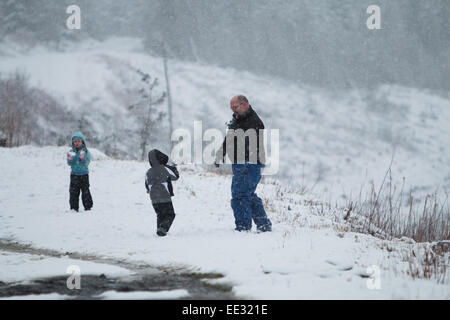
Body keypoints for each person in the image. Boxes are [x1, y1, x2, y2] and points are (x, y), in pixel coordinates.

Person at [215, 95, 272, 232]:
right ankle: (263, 224)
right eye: (232, 108)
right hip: (244, 162)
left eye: (235, 107)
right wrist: (221, 153)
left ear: (245, 104)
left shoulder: (253, 121)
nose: (234, 110)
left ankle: (243, 226)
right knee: (248, 193)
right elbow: (229, 138)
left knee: (239, 194)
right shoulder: (238, 119)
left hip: (249, 162)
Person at [145, 149, 180, 236]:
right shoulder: (164, 168)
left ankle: (160, 230)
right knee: (170, 214)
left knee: (160, 215)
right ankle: (163, 229)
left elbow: (147, 185)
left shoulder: (148, 172)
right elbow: (175, 177)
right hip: (164, 196)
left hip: (153, 198)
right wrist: (174, 168)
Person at [67, 131, 93, 212]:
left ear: (82, 142)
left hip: (84, 174)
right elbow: (69, 163)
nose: (77, 143)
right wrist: (70, 159)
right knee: (73, 192)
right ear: (73, 142)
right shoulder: (71, 152)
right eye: (75, 141)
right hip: (74, 175)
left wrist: (83, 159)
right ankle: (74, 207)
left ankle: (88, 206)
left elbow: (87, 162)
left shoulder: (86, 152)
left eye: (79, 141)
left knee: (85, 191)